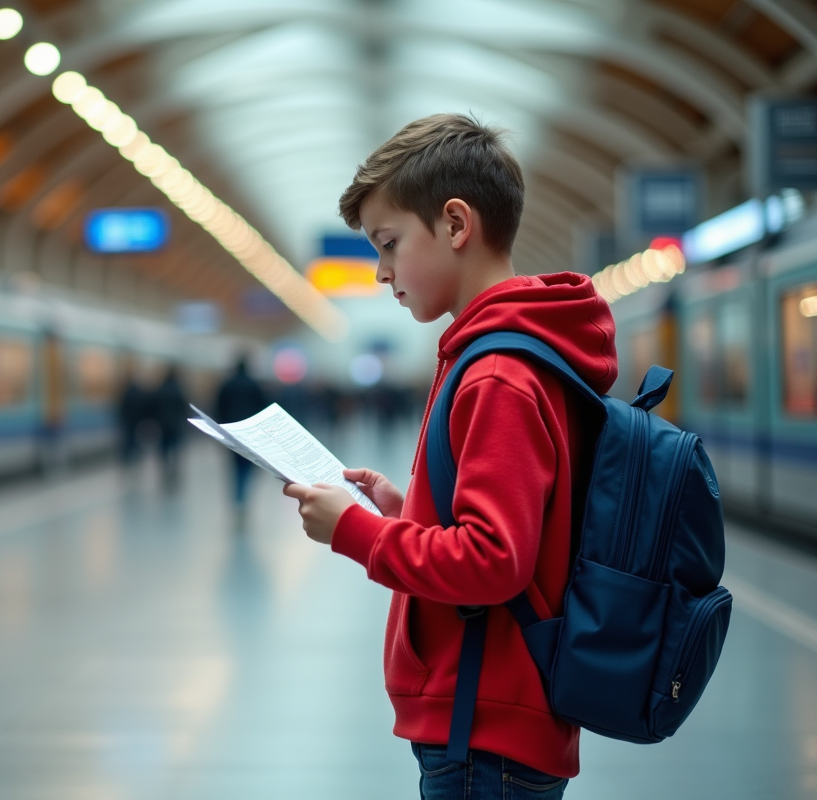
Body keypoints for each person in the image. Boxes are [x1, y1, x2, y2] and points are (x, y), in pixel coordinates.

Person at [282, 114, 618, 798]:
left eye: (389, 244)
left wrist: (356, 531)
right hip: (491, 720)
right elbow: (522, 530)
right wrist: (413, 513)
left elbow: (496, 561)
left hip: (482, 734)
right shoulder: (504, 354)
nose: (380, 272)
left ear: (457, 224)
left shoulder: (496, 372)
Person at [215, 357, 268, 527]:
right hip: (250, 435)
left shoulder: (227, 385)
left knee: (234, 468)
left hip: (231, 433)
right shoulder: (254, 385)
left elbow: (218, 407)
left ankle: (237, 499)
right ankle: (243, 501)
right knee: (247, 468)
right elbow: (263, 409)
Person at [149, 365, 188, 489]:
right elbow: (184, 408)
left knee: (164, 449)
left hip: (163, 425)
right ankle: (174, 471)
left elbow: (153, 407)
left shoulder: (160, 389)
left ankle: (165, 470)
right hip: (175, 426)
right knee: (175, 449)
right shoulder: (178, 389)